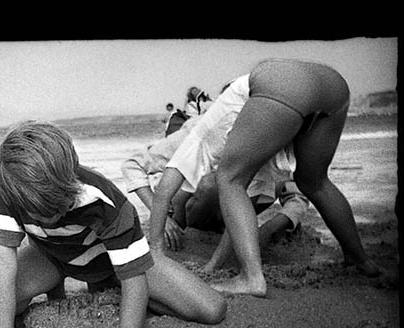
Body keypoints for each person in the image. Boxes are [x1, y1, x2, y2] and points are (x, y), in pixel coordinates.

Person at [0, 121, 225, 328]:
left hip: (112, 263)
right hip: (52, 258)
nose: (55, 216)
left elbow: (135, 279)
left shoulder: (105, 201)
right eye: (41, 212)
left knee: (211, 310)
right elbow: (4, 260)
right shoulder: (8, 182)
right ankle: (69, 288)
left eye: (60, 205)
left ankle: (116, 289)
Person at [149, 59, 382, 297]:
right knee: (313, 182)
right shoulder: (253, 141)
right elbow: (240, 215)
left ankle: (252, 279)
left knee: (228, 178)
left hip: (279, 82)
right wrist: (214, 265)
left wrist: (155, 251)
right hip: (333, 86)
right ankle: (359, 260)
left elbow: (165, 190)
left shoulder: (202, 133)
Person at [121, 105, 310, 271]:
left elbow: (297, 195)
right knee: (212, 183)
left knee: (266, 184)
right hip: (190, 215)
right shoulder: (199, 132)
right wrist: (159, 213)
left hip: (235, 220)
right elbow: (133, 165)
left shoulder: (266, 137)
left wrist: (269, 229)